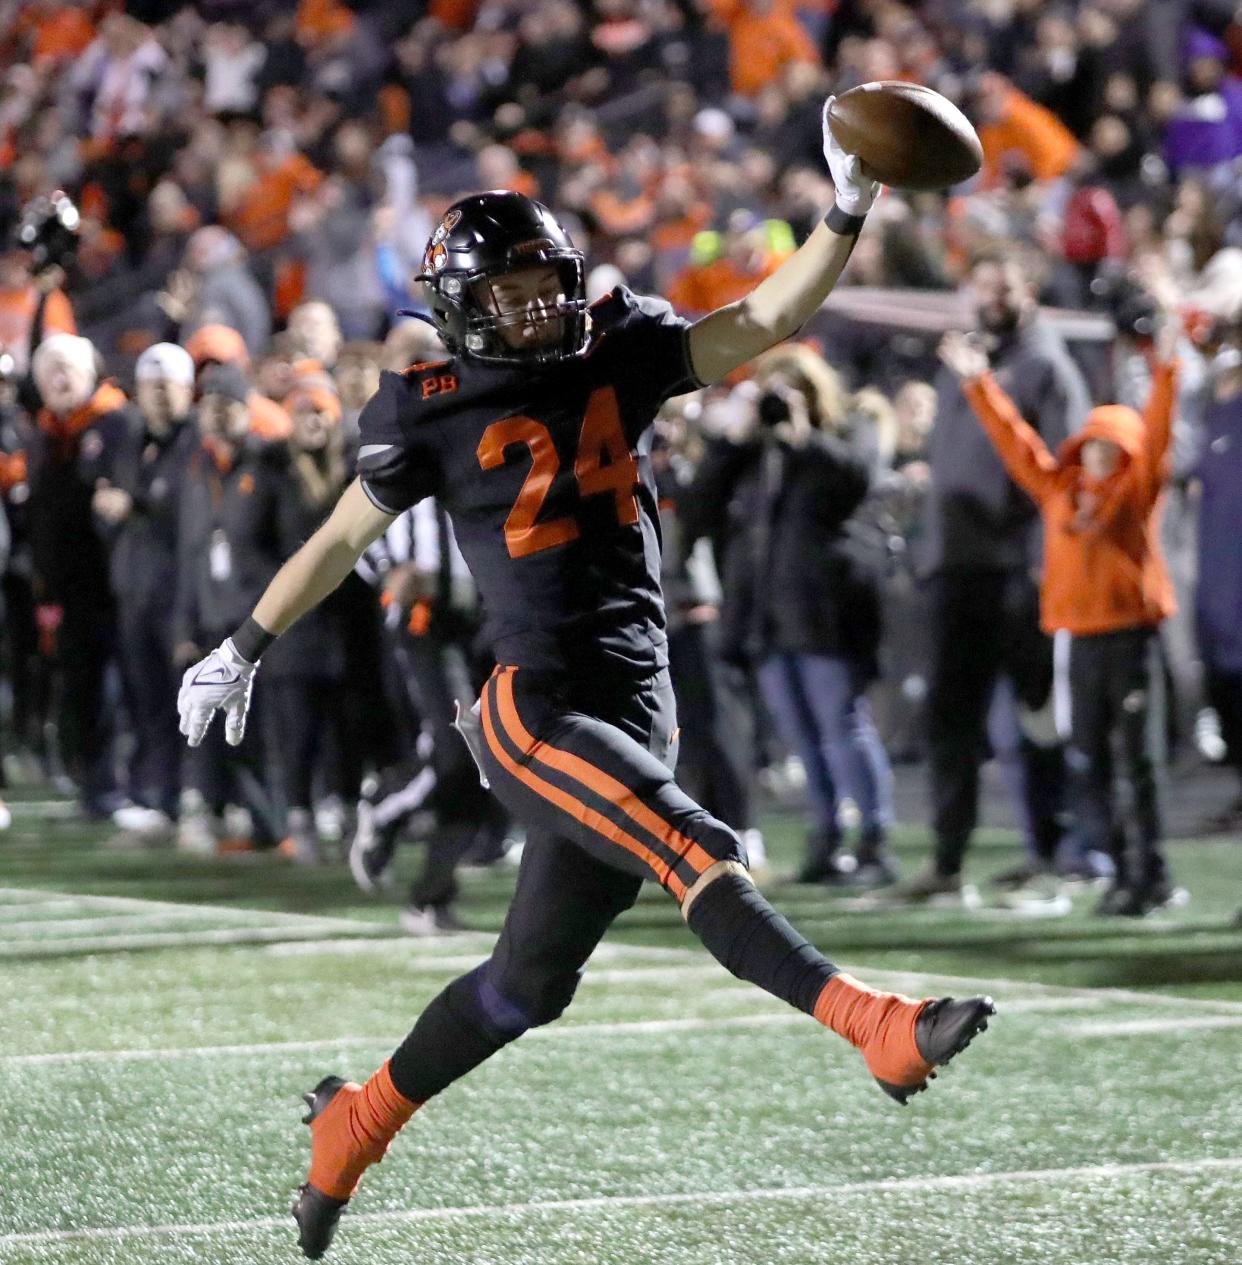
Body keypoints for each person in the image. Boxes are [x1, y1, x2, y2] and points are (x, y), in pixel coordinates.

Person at [178, 109, 995, 1262]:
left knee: (527, 984)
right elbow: (337, 538)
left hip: (637, 695)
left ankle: (351, 1126)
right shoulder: (427, 407)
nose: (537, 306)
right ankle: (876, 1023)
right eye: (510, 293)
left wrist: (849, 205)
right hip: (535, 706)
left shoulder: (618, 347)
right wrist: (243, 642)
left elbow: (767, 316)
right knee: (694, 839)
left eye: (545, 282)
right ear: (463, 308)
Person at [939, 326, 1181, 916]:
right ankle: (1119, 869)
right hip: (1079, 640)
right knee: (1093, 759)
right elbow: (1014, 440)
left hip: (1131, 639)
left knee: (1137, 762)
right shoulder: (1058, 490)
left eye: (1110, 446)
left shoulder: (1135, 491)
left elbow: (1158, 438)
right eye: (1092, 444)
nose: (1099, 454)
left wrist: (1168, 371)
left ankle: (1151, 874)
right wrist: (978, 381)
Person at [897, 253, 1091, 906]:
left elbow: (1066, 477)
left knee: (1036, 722)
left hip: (1015, 568)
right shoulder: (963, 361)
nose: (994, 293)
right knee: (950, 721)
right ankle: (948, 861)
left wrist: (1044, 565)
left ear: (1028, 288)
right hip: (955, 567)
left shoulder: (1046, 364)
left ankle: (1056, 855)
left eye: (1005, 281)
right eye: (983, 283)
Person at [98, 342, 199, 838]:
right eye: (151, 387)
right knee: (145, 699)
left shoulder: (196, 444)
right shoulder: (132, 441)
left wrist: (133, 505)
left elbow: (185, 513)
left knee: (183, 699)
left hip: (181, 592)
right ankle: (154, 792)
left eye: (169, 386)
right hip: (135, 590)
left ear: (187, 390)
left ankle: (184, 794)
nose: (159, 396)